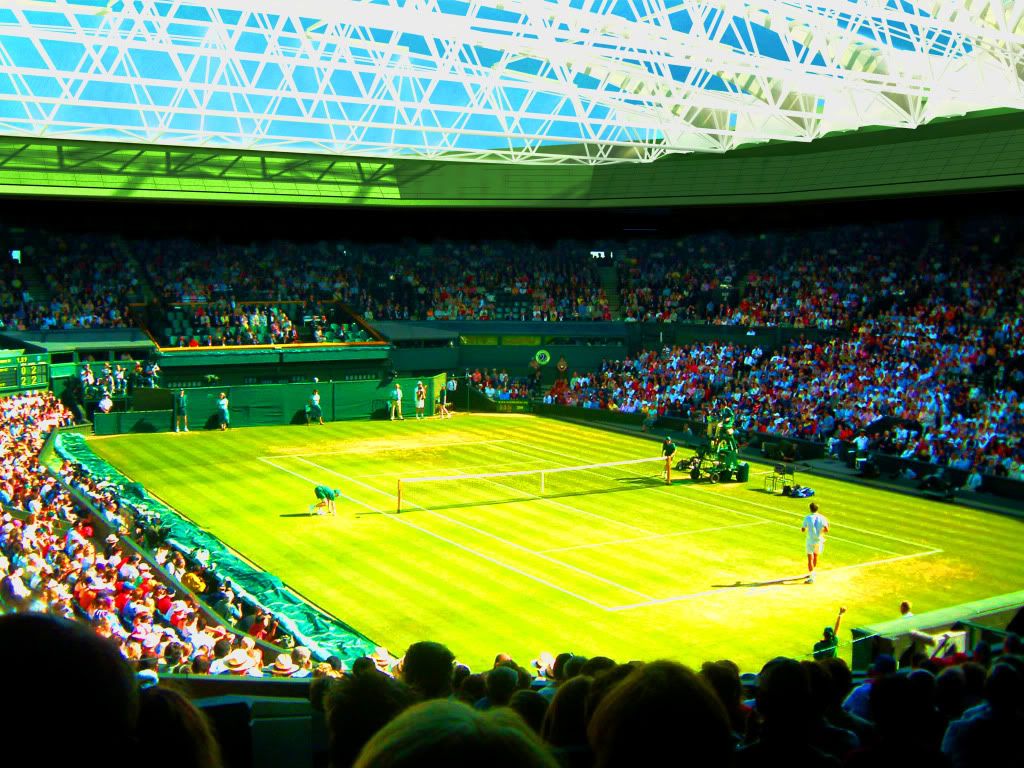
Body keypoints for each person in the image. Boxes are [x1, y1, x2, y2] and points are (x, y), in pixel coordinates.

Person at [802, 502, 829, 583]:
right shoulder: (823, 518)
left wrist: (807, 530)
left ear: (810, 509)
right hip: (819, 540)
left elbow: (803, 529)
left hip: (810, 540)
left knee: (810, 558)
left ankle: (812, 577)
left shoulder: (807, 518)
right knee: (815, 556)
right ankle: (813, 572)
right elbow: (827, 529)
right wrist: (820, 533)